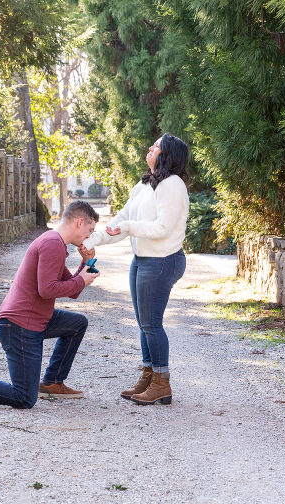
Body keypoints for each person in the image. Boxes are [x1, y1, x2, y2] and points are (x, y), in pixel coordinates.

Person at [0, 200, 100, 409]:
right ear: (79, 222)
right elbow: (47, 290)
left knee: (77, 323)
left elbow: (72, 291)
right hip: (19, 326)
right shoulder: (52, 243)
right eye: (90, 230)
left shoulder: (55, 242)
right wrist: (81, 279)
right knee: (24, 398)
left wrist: (85, 264)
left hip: (35, 320)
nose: (89, 236)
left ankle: (52, 382)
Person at [80, 133, 189, 405]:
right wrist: (92, 241)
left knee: (152, 323)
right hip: (142, 260)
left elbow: (162, 228)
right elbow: (121, 221)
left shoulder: (173, 185)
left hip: (163, 260)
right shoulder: (143, 186)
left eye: (157, 146)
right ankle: (149, 375)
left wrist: (127, 228)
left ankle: (162, 383)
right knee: (143, 324)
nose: (150, 148)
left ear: (167, 155)